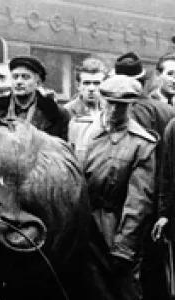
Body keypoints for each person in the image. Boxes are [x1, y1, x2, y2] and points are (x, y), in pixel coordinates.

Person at [69, 75, 157, 300]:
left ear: (132, 106)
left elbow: (139, 201)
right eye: (110, 102)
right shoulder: (81, 129)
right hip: (79, 223)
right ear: (101, 99)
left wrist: (125, 246)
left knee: (120, 290)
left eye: (122, 105)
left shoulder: (141, 143)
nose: (115, 109)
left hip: (113, 227)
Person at [117, 51, 175, 300]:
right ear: (156, 76)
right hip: (153, 201)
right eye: (171, 73)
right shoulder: (157, 111)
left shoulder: (155, 110)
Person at [0, 55, 70, 140]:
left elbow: (60, 150)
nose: (19, 82)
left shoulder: (56, 114)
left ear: (38, 83)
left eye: (25, 77)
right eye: (15, 77)